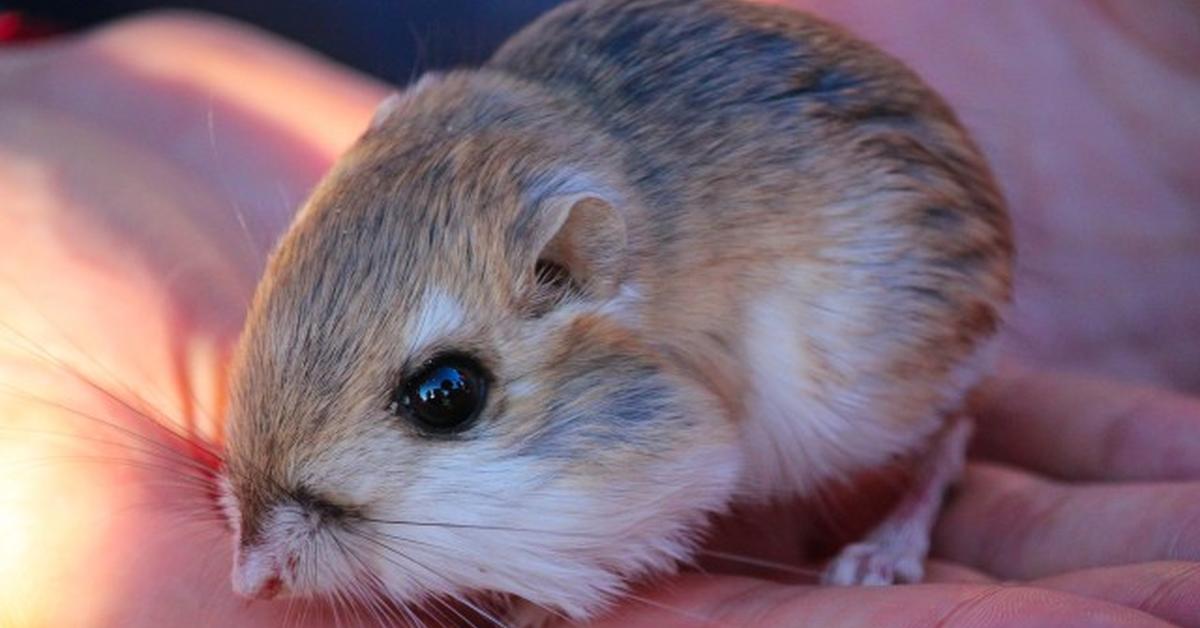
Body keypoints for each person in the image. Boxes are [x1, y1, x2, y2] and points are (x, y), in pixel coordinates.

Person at [0, 1, 1196, 625]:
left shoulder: (575, 258)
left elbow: (688, 455)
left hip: (860, 225)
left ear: (577, 268)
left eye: (441, 397)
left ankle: (935, 463)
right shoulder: (455, 163)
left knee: (837, 407)